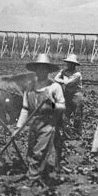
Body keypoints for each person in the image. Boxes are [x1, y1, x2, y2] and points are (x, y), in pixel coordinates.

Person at [15, 54, 65, 185]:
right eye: (39, 68)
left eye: (44, 69)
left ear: (48, 70)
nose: (41, 71)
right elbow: (25, 108)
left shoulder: (54, 87)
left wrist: (52, 103)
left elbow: (62, 107)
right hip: (34, 123)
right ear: (35, 70)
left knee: (39, 152)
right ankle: (39, 175)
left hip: (48, 123)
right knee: (31, 152)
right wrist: (18, 128)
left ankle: (32, 179)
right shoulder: (30, 86)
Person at [53, 53, 83, 139]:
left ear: (74, 64)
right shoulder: (64, 71)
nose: (69, 64)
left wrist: (63, 77)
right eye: (68, 62)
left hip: (77, 96)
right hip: (67, 96)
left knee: (77, 116)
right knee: (65, 116)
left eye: (71, 63)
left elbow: (68, 83)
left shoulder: (77, 74)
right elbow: (55, 79)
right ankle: (67, 135)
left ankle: (77, 135)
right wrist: (64, 78)